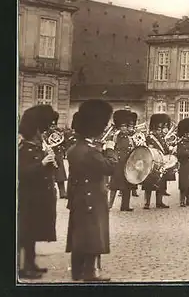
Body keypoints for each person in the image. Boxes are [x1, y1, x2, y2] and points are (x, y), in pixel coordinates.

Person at [65, 99, 117, 282]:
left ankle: (77, 272)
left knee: (80, 235)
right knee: (94, 236)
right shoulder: (90, 151)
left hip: (80, 198)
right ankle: (92, 272)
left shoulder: (75, 148)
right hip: (92, 199)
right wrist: (110, 149)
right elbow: (110, 167)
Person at [18, 105, 59, 280]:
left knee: (33, 232)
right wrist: (42, 164)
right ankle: (23, 267)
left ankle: (31, 263)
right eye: (40, 130)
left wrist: (50, 164)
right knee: (26, 232)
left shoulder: (36, 146)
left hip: (40, 196)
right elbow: (23, 172)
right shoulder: (25, 148)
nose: (42, 134)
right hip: (29, 197)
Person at [142, 114, 171, 209]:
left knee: (161, 183)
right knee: (148, 185)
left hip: (161, 163)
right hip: (151, 162)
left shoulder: (162, 138)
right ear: (154, 128)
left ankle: (159, 202)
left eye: (161, 129)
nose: (161, 131)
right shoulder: (149, 138)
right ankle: (147, 203)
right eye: (159, 129)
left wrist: (170, 149)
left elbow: (166, 150)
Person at [108, 110, 135, 211]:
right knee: (114, 186)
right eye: (123, 126)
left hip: (127, 164)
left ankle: (125, 206)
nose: (125, 128)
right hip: (117, 163)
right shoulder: (115, 137)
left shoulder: (129, 138)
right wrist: (113, 160)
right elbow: (110, 149)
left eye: (126, 126)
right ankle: (109, 204)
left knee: (127, 186)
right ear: (119, 127)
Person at [45, 111, 68, 199]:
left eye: (54, 123)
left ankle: (62, 192)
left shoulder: (58, 131)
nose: (53, 125)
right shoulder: (45, 132)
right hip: (49, 153)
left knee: (60, 173)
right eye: (52, 124)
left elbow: (64, 142)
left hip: (58, 153)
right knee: (48, 173)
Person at [128, 112, 140, 197]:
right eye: (130, 127)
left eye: (132, 127)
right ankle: (123, 190)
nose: (131, 129)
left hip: (134, 155)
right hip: (127, 156)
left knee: (134, 173)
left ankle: (134, 190)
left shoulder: (136, 135)